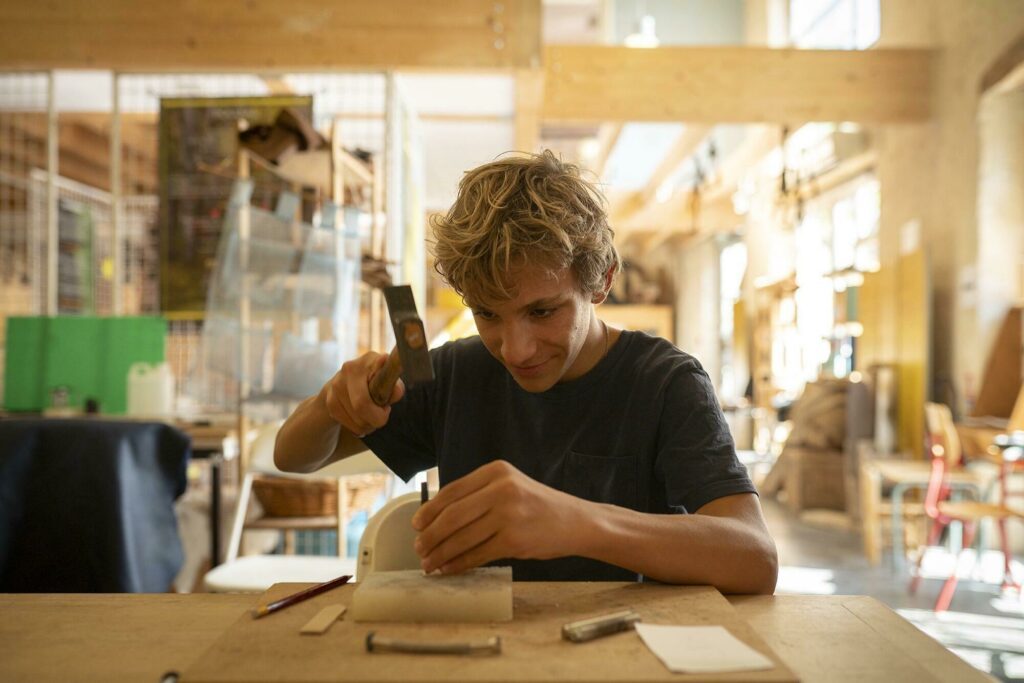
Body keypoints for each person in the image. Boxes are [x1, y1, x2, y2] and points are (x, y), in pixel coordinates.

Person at [275, 151, 777, 593]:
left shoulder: (665, 383)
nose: (515, 350)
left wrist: (575, 522)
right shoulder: (454, 374)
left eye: (542, 312)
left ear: (600, 281)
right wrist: (327, 405)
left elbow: (754, 557)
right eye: (488, 313)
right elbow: (293, 456)